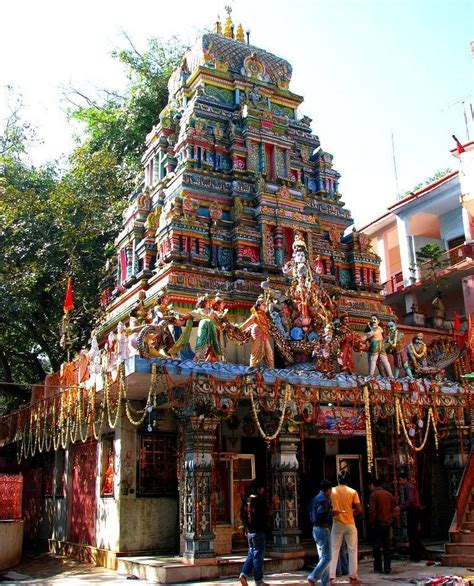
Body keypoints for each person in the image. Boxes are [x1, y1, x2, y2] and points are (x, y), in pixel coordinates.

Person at [328, 473, 362, 584]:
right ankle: (353, 576)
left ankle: (331, 576)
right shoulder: (353, 492)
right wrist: (352, 512)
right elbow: (359, 509)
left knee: (334, 549)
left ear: (337, 480)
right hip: (350, 523)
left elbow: (328, 505)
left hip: (337, 523)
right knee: (352, 550)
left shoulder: (332, 491)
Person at [308, 480, 341, 586]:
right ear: (328, 490)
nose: (331, 492)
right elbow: (321, 515)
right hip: (322, 528)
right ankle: (313, 577)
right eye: (330, 490)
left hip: (316, 529)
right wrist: (332, 513)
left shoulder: (316, 498)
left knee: (323, 556)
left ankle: (326, 581)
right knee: (327, 557)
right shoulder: (323, 500)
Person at [239, 482, 268, 586]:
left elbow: (242, 515)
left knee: (251, 554)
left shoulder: (247, 500)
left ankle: (243, 574)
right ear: (259, 489)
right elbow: (266, 515)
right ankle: (258, 580)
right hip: (258, 532)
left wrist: (246, 527)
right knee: (257, 557)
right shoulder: (260, 501)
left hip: (250, 532)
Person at [368, 477, 397, 574]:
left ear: (372, 485)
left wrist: (371, 522)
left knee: (376, 546)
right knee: (386, 546)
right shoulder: (388, 494)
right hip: (387, 522)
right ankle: (387, 567)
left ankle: (378, 567)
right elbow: (394, 509)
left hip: (377, 523)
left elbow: (372, 511)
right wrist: (391, 519)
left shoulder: (373, 495)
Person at [398, 472, 425, 562]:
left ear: (405, 479)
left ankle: (416, 555)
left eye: (400, 480)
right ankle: (417, 554)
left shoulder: (409, 487)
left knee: (413, 533)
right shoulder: (410, 487)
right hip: (414, 511)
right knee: (414, 534)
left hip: (413, 511)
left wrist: (401, 508)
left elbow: (410, 500)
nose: (399, 482)